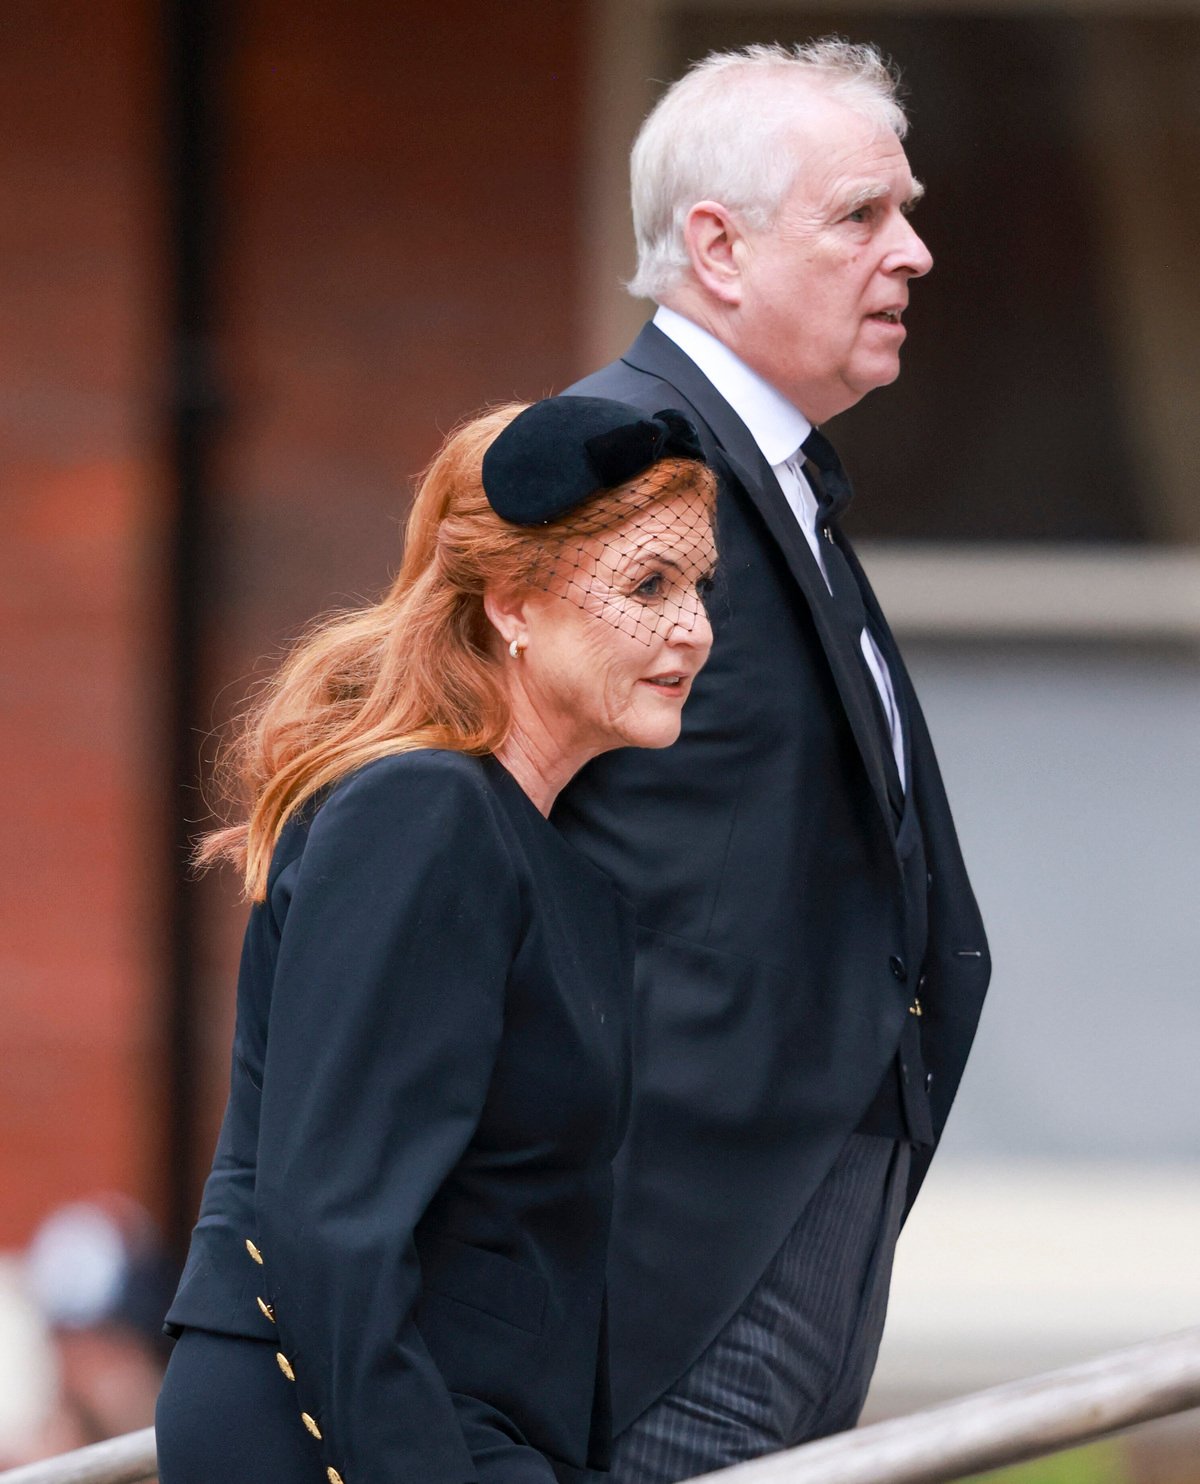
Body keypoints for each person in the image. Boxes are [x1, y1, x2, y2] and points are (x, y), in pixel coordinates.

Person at [555, 39, 991, 1480]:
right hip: (679, 1263)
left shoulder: (771, 475)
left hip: (790, 1231)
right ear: (718, 248)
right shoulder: (618, 461)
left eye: (906, 211)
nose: (912, 252)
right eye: (862, 214)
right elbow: (478, 829)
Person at [154, 396, 717, 1484]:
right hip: (352, 1420)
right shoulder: (424, 810)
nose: (693, 626)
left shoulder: (530, 851)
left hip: (446, 1414)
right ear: (513, 604)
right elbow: (331, 1219)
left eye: (699, 586)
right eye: (650, 585)